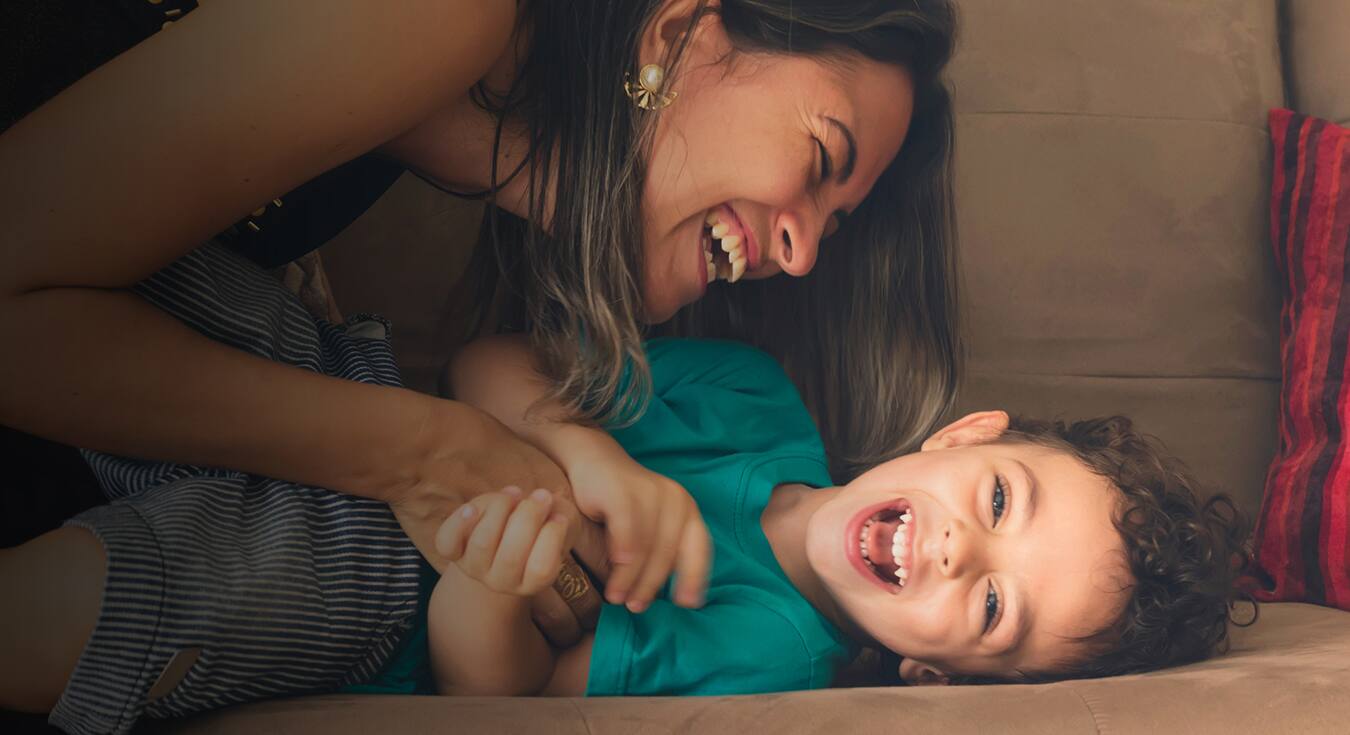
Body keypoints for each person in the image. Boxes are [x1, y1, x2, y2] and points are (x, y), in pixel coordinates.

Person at [0, 0, 959, 649]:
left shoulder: (489, 149)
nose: (800, 256)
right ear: (681, 32)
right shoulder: (453, 16)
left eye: (831, 228)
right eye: (821, 156)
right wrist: (427, 454)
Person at [429, 335, 1254, 694]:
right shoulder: (749, 392)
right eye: (999, 498)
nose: (956, 547)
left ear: (938, 675)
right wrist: (589, 456)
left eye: (993, 606)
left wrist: (489, 579)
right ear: (961, 435)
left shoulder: (770, 659)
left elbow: (504, 688)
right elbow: (489, 361)